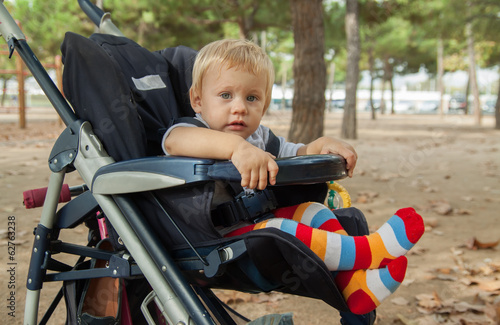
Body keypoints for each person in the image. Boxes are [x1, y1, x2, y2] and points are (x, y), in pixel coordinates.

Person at [162, 39, 424, 316]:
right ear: (198, 100)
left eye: (252, 98)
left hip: (250, 226)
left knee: (314, 211)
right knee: (280, 230)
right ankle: (370, 251)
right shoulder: (192, 129)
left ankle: (354, 285)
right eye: (226, 95)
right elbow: (175, 142)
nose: (239, 107)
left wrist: (318, 146)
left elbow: (293, 153)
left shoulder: (259, 137)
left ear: (263, 107)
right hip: (210, 236)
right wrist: (236, 149)